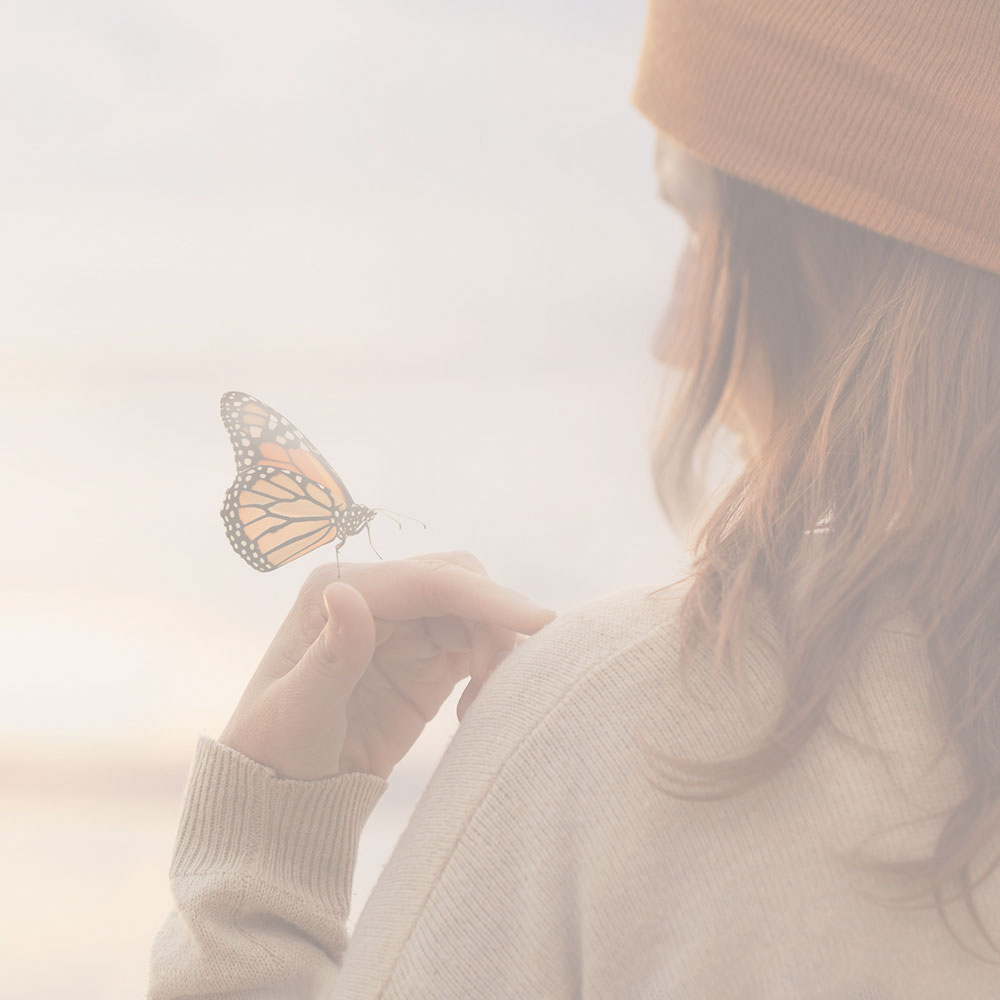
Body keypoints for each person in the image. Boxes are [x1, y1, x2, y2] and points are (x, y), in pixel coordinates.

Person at [149, 1, 1000, 996]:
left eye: (700, 230)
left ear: (841, 256)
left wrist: (254, 882)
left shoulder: (642, 732)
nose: (672, 340)